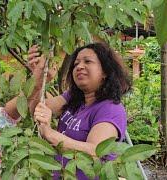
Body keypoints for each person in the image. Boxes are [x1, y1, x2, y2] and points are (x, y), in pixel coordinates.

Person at [27, 42, 132, 179]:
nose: (79, 67)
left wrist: (50, 133)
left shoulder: (111, 109)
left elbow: (95, 152)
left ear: (105, 72)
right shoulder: (73, 97)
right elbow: (35, 109)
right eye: (76, 64)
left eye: (87, 61)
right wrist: (39, 79)